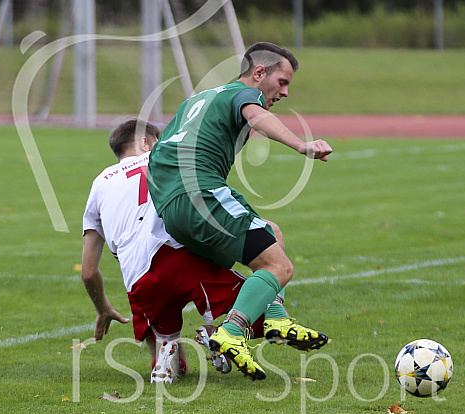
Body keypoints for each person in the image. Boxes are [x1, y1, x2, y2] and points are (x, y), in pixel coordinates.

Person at [148, 42, 332, 381]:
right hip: (200, 194)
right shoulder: (243, 95)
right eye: (283, 82)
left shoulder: (196, 100)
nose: (286, 91)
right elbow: (258, 117)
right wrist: (301, 144)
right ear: (259, 73)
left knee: (271, 233)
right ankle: (232, 333)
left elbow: (159, 154)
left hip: (172, 207)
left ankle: (275, 318)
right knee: (279, 266)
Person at [82, 119, 265, 383]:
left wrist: (103, 308)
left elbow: (88, 272)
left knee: (168, 344)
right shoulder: (164, 158)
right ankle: (220, 334)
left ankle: (166, 360)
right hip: (178, 257)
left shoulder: (99, 184)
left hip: (138, 279)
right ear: (146, 142)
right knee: (260, 304)